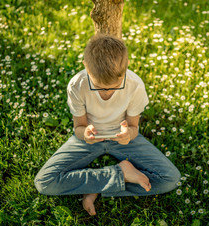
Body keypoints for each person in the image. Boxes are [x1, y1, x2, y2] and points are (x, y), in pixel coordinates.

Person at [34, 34, 181, 216]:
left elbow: (134, 128)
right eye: (100, 87)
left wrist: (128, 135)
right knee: (44, 182)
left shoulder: (135, 86)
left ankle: (96, 186)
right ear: (86, 67)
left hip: (123, 140)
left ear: (126, 68)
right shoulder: (77, 85)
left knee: (170, 179)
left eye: (115, 86)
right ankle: (119, 174)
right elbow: (79, 128)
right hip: (89, 141)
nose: (108, 92)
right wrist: (85, 133)